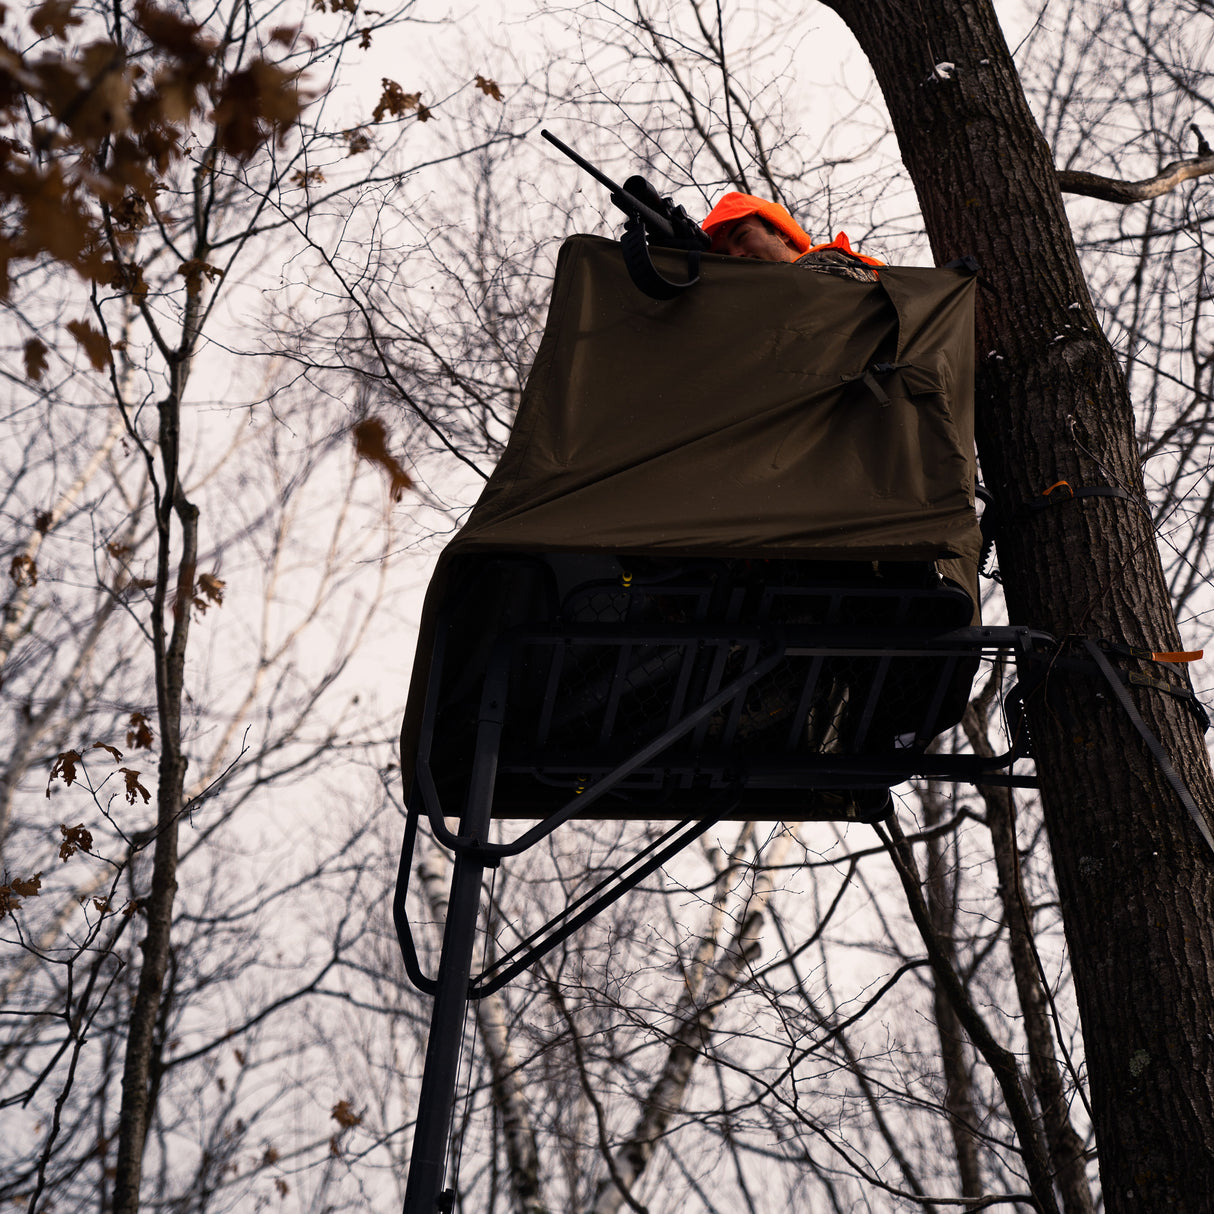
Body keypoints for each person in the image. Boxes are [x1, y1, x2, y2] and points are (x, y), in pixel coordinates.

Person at [701, 191, 883, 282]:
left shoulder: (827, 268)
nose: (734, 255)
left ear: (781, 232)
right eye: (723, 254)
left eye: (742, 236)